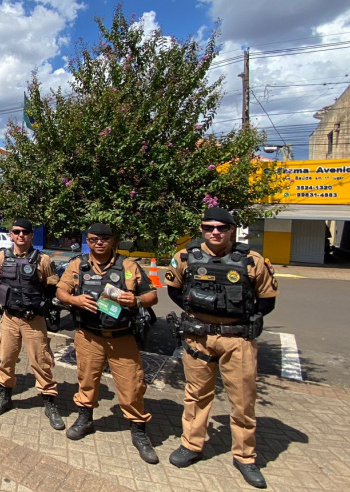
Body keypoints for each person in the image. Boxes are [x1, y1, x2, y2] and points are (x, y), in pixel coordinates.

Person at [165, 207, 279, 489]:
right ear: (202, 229)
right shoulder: (185, 257)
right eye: (209, 227)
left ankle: (245, 457)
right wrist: (200, 312)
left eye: (222, 227)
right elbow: (175, 290)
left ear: (231, 230)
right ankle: (191, 445)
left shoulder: (252, 260)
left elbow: (267, 300)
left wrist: (237, 316)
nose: (215, 232)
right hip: (198, 336)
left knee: (243, 400)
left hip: (237, 339)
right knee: (196, 395)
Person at [55, 223, 160, 463]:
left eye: (104, 238)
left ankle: (138, 430)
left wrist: (136, 300)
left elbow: (152, 295)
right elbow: (60, 291)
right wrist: (75, 300)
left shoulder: (128, 266)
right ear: (88, 241)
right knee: (87, 380)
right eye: (94, 239)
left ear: (112, 240)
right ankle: (85, 419)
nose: (99, 242)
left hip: (122, 338)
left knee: (132, 385)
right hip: (88, 336)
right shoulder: (78, 265)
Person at [0, 218, 64, 431]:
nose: (20, 235)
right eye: (16, 231)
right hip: (10, 319)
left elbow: (52, 286)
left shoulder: (43, 260)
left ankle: (49, 402)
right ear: (11, 235)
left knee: (41, 361)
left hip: (34, 320)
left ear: (31, 235)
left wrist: (41, 304)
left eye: (25, 232)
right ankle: (4, 397)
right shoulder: (3, 256)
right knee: (6, 359)